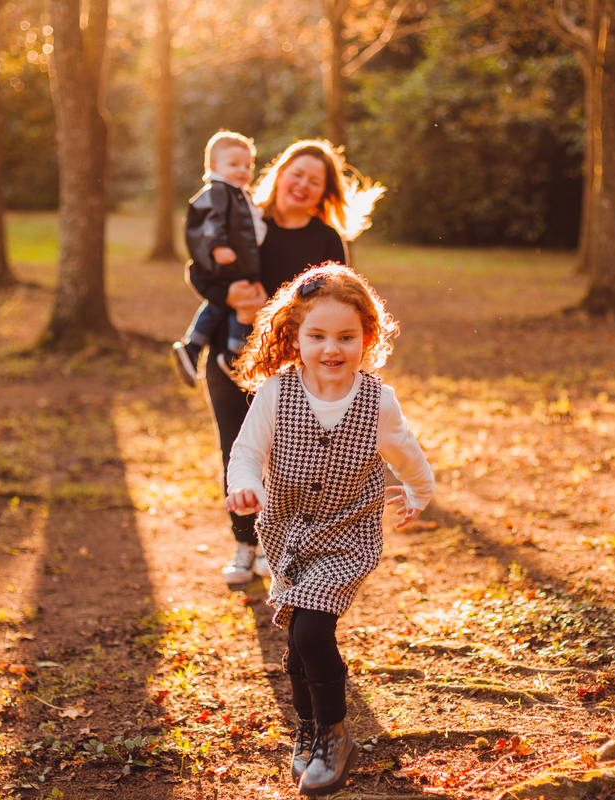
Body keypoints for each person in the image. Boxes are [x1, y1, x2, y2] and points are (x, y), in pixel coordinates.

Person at [225, 264, 434, 796]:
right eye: (317, 336)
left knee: (313, 632)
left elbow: (408, 455)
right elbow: (246, 452)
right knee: (296, 642)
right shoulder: (276, 392)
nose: (331, 349)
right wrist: (246, 485)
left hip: (348, 539)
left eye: (346, 336)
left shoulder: (377, 401)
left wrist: (417, 494)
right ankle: (308, 729)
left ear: (368, 336)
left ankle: (335, 735)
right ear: (294, 337)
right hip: (287, 539)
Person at [188, 140, 384, 586]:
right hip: (228, 353)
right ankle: (243, 545)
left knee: (282, 457)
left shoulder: (324, 239)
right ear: (279, 173)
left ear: (323, 193)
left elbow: (336, 303)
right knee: (235, 446)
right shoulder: (243, 217)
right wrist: (227, 296)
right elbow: (200, 268)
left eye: (315, 182)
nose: (303, 185)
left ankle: (274, 546)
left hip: (291, 365)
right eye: (298, 173)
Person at [172, 131, 267, 386]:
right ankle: (220, 352)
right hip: (229, 264)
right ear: (213, 167)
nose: (242, 170)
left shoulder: (239, 194)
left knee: (234, 305)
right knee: (224, 305)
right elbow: (211, 219)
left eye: (247, 166)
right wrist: (217, 246)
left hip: (242, 265)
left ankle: (206, 350)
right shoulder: (218, 191)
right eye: (234, 165)